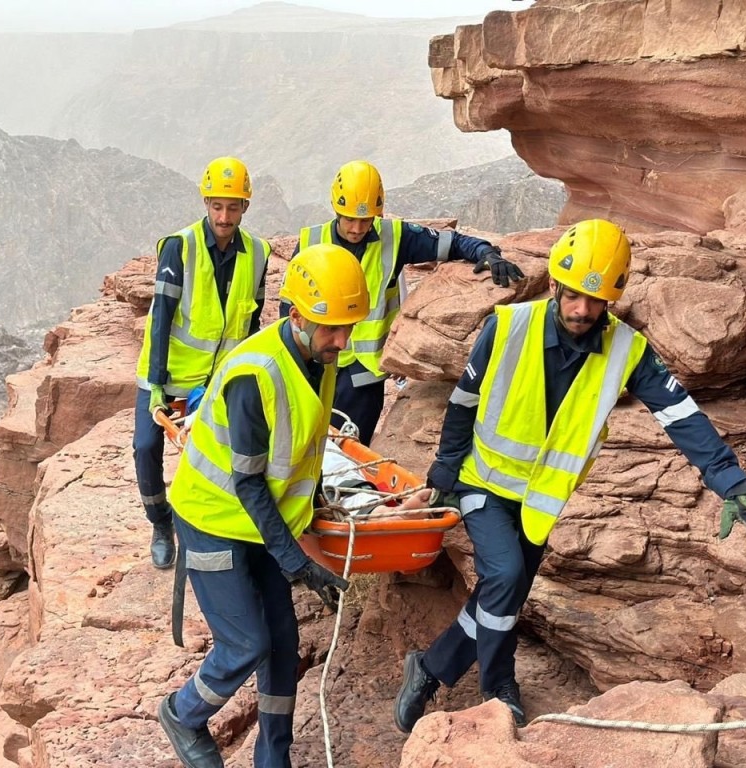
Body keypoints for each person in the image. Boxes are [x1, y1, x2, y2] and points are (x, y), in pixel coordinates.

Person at [393, 218, 746, 732]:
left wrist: (734, 486)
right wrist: (443, 473)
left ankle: (432, 666)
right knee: (503, 576)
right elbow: (463, 404)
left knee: (505, 591)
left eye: (596, 302)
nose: (582, 310)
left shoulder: (626, 350)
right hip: (482, 483)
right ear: (554, 285)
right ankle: (497, 687)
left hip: (540, 500)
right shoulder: (507, 328)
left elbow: (680, 416)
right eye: (573, 296)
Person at [158, 243, 368, 768]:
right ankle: (182, 714)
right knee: (245, 643)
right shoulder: (256, 374)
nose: (341, 342)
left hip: (261, 519)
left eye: (347, 328)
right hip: (212, 518)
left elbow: (302, 445)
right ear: (296, 315)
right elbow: (249, 483)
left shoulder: (317, 354)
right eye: (331, 329)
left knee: (281, 641)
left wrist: (317, 503)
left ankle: (273, 758)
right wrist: (296, 560)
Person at [282, 159, 525, 445]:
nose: (358, 227)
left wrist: (486, 252)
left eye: (366, 219)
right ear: (336, 209)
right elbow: (289, 308)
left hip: (363, 376)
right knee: (304, 445)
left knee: (350, 450)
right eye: (350, 219)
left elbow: (453, 243)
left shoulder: (395, 237)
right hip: (315, 364)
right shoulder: (311, 240)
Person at [134, 156, 271, 569]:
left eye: (232, 207)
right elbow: (161, 318)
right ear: (206, 203)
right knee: (146, 448)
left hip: (217, 382)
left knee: (227, 454)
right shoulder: (182, 247)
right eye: (217, 206)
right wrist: (157, 385)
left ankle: (221, 528)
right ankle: (161, 523)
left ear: (245, 207)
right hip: (170, 373)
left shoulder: (258, 253)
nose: (224, 216)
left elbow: (252, 323)